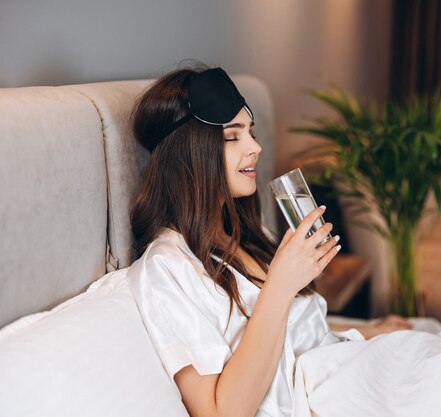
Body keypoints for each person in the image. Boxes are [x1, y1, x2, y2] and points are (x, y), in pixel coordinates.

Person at [126, 65, 411, 417]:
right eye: (233, 137)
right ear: (187, 153)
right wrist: (280, 285)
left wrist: (367, 331)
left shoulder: (243, 236)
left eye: (252, 132)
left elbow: (295, 334)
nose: (256, 147)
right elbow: (221, 412)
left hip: (356, 370)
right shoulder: (166, 269)